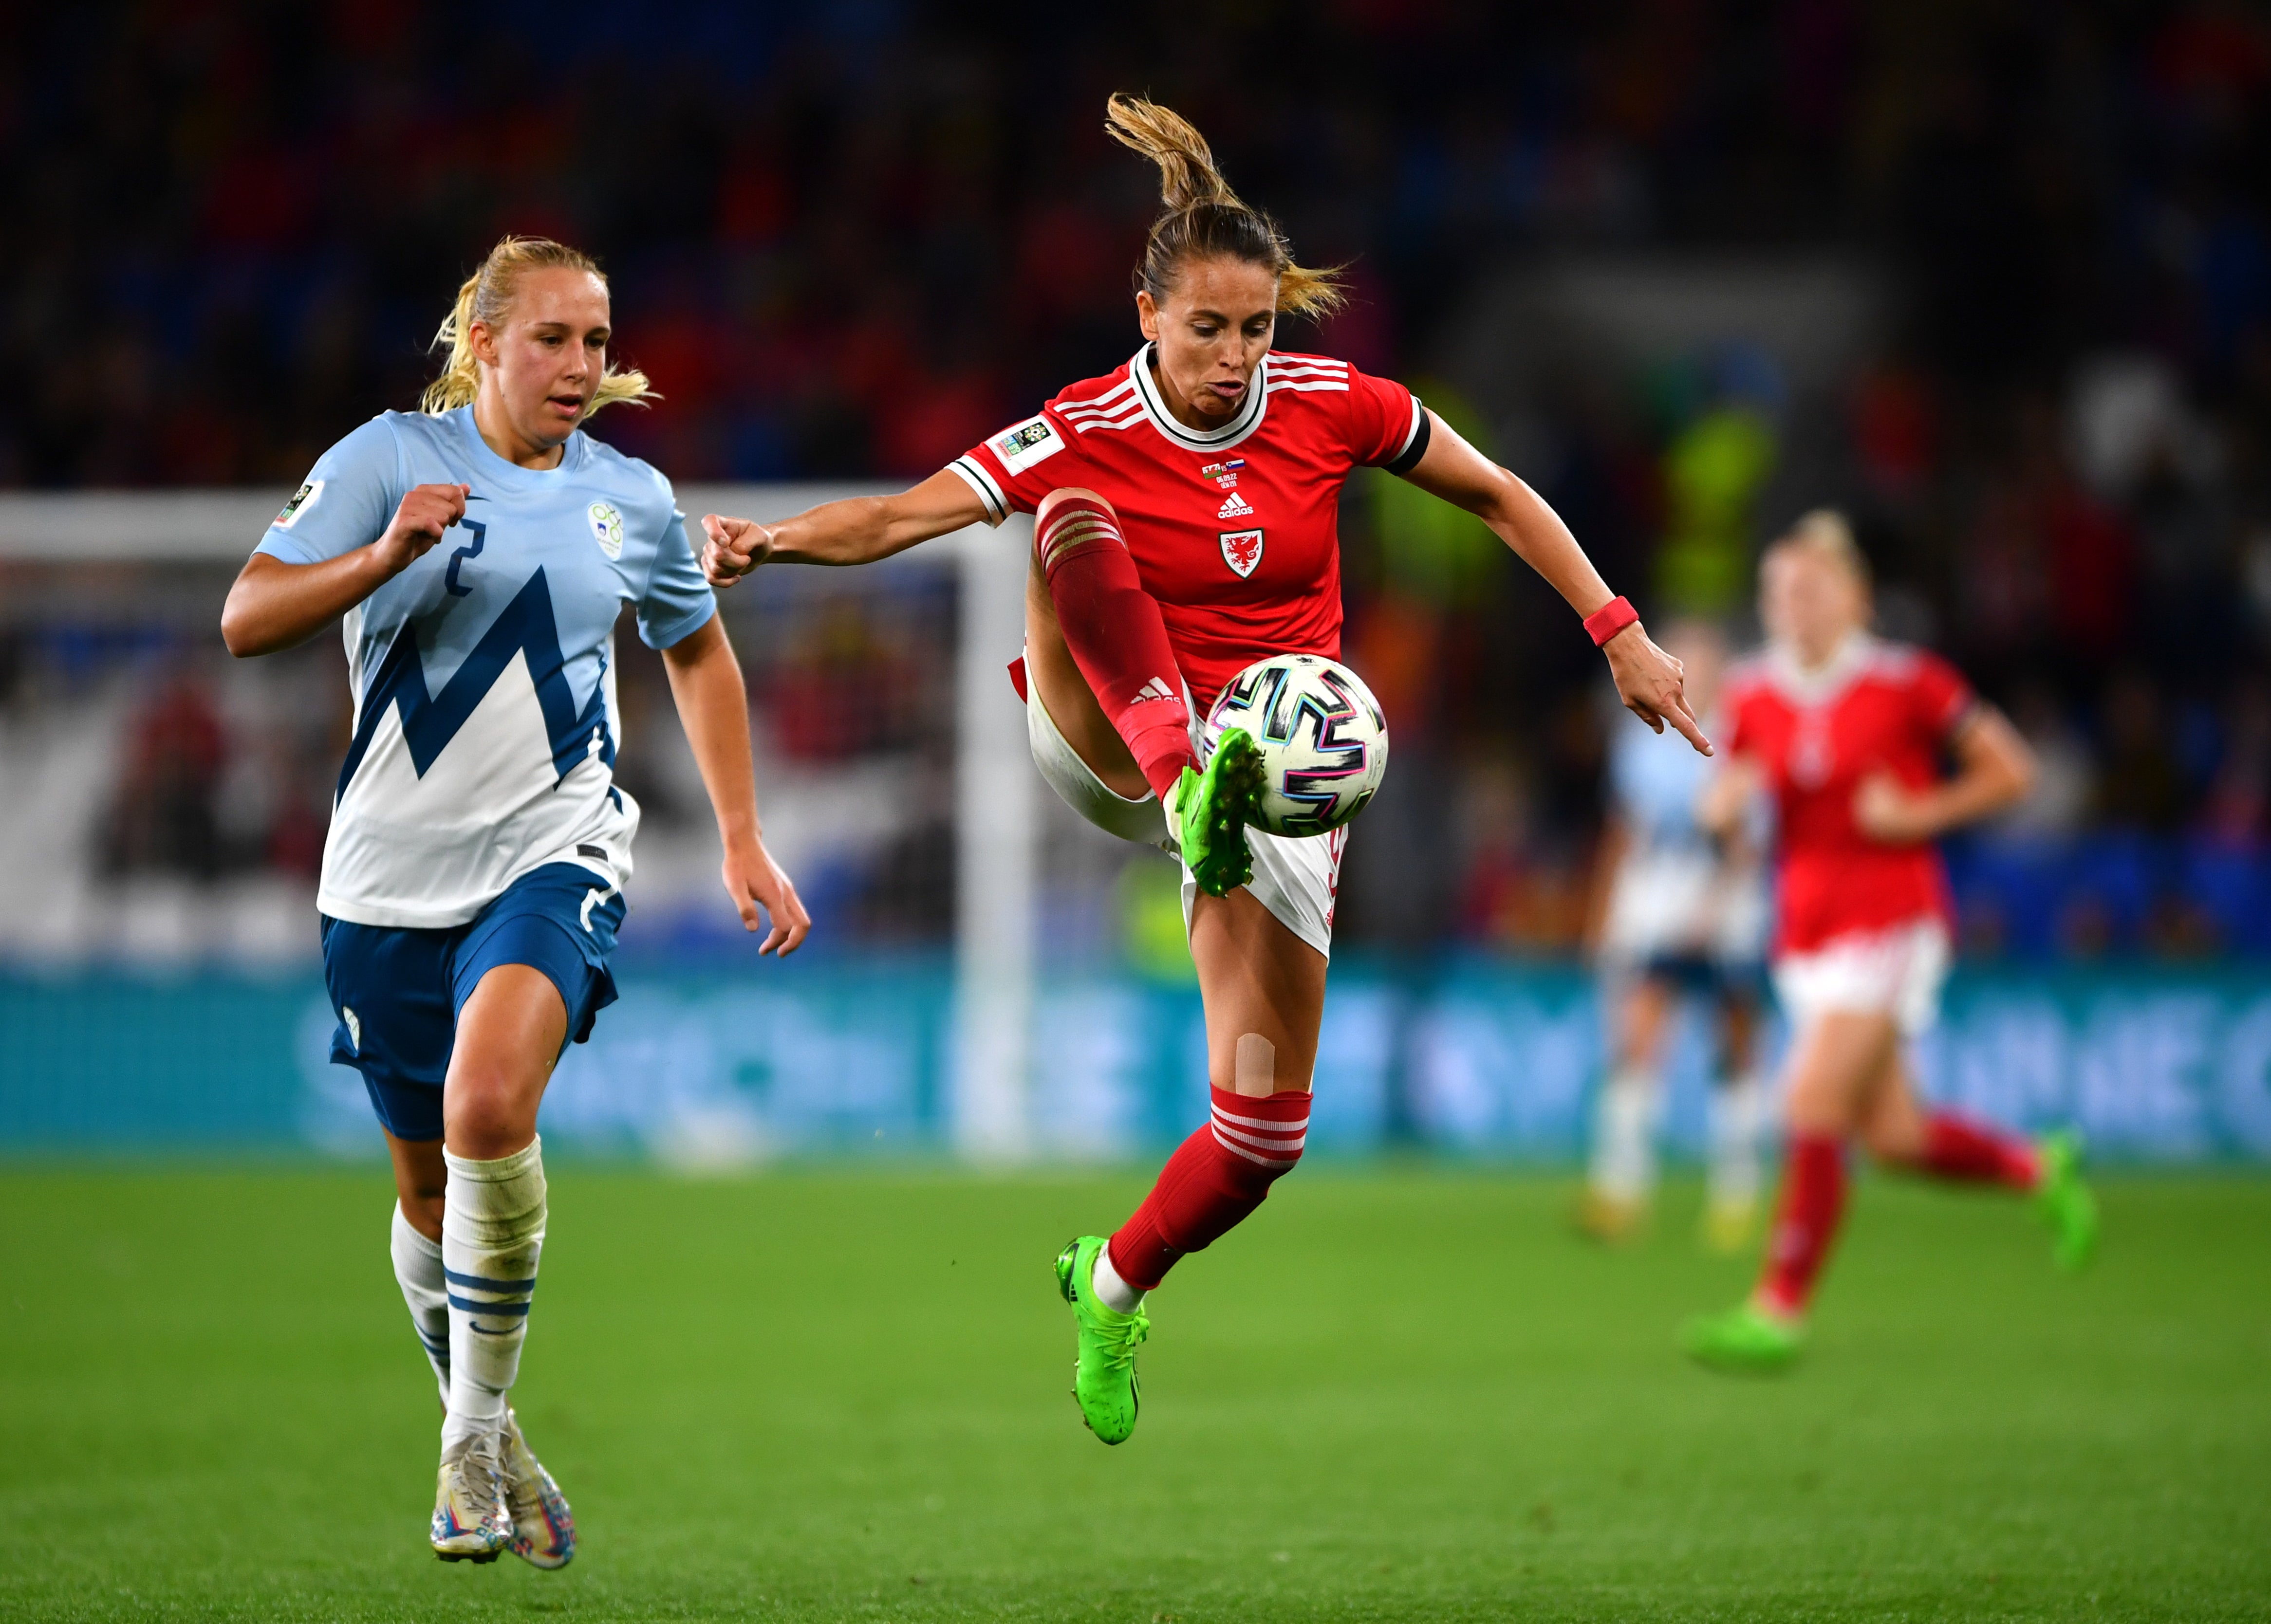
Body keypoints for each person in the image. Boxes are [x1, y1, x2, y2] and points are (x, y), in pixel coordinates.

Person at [696, 96, 1707, 1443]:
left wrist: (1618, 631)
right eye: (1207, 328)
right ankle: (1189, 776)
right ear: (1148, 315)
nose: (1236, 358)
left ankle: (1110, 1286)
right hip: (1115, 740)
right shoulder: (1085, 424)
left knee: (1261, 1139)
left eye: (1258, 328)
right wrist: (771, 547)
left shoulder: (1334, 406)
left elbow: (1498, 491)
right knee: (1066, 509)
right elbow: (897, 513)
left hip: (1283, 770)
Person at [220, 237, 809, 1558]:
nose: (583, 366)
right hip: (382, 881)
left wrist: (741, 836)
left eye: (598, 342)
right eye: (554, 339)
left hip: (556, 850)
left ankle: (463, 1450)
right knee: (430, 1200)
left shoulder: (633, 498)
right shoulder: (386, 460)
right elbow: (247, 618)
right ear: (483, 342)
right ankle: (485, 1419)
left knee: (489, 1107)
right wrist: (379, 558)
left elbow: (696, 649)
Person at [1680, 511, 2096, 1373]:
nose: (1789, 603)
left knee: (1810, 1103)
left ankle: (1778, 1309)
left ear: (1856, 596)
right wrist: (1722, 809)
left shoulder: (1912, 683)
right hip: (1807, 932)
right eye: (1777, 590)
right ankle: (2036, 1168)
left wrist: (1917, 815)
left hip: (1893, 920)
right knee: (1895, 1139)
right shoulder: (1754, 691)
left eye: (1808, 587)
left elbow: (2013, 770)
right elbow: (1731, 795)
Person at [1578, 619, 1770, 1251]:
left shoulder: (1747, 739)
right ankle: (1620, 1190)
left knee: (1735, 1046)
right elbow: (1625, 829)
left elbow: (1750, 842)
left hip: (1728, 899)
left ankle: (1737, 1196)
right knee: (1637, 1041)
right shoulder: (1644, 739)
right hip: (1659, 894)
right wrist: (1603, 915)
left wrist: (1713, 911)